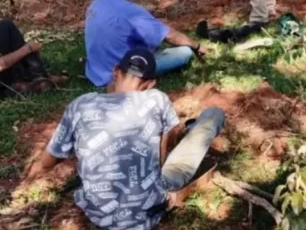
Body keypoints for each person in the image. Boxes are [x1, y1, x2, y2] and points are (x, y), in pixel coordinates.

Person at [26, 48, 225, 229]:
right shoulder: (157, 99)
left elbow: (46, 162)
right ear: (151, 83)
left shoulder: (81, 105)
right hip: (146, 212)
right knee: (213, 115)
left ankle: (187, 130)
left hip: (98, 215)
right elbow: (160, 160)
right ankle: (194, 127)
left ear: (115, 72)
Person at [84, 0, 207, 88]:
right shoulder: (130, 12)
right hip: (124, 74)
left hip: (96, 71)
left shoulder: (94, 6)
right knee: (185, 52)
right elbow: (169, 36)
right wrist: (196, 46)